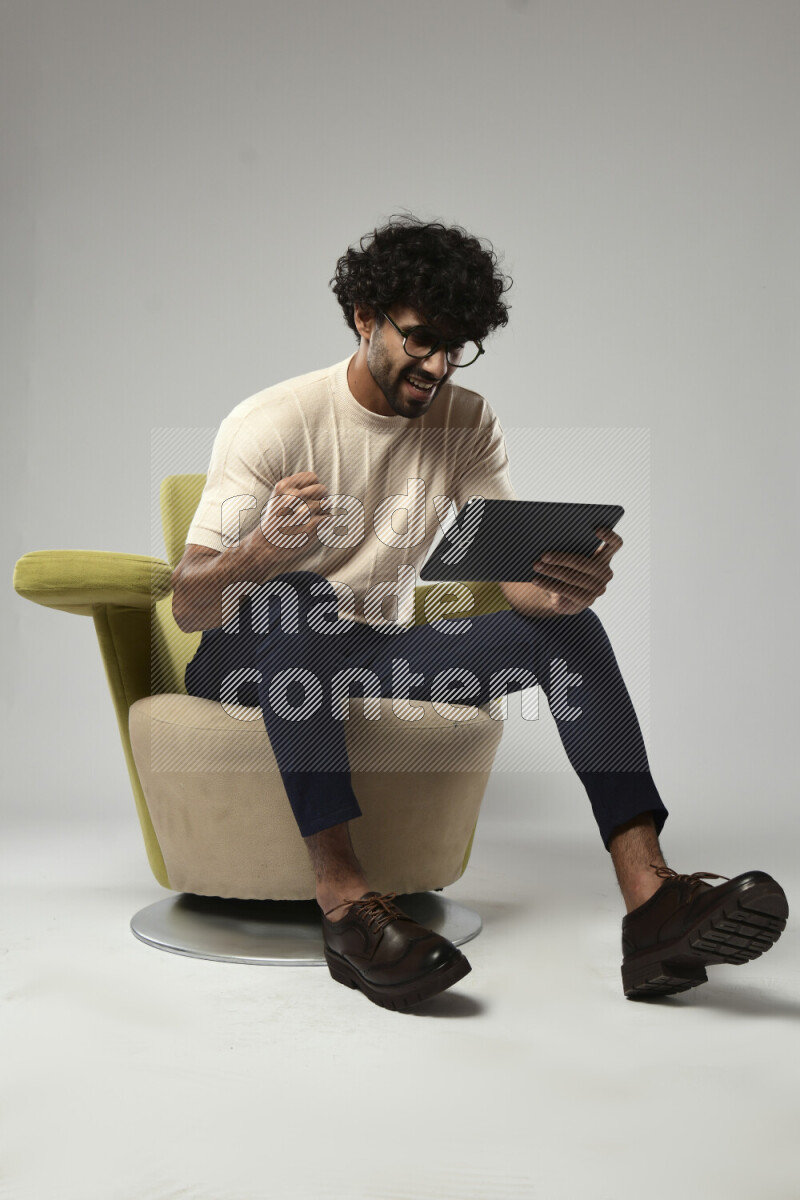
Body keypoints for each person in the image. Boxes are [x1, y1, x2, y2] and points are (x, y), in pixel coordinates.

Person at [171, 215, 788, 1011]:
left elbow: (512, 582)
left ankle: (652, 903)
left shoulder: (466, 422)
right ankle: (347, 904)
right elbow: (190, 603)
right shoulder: (272, 422)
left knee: (567, 631)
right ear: (364, 318)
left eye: (455, 347)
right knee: (301, 597)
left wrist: (560, 590)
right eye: (420, 339)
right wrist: (263, 548)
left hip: (369, 651)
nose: (436, 366)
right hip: (248, 654)